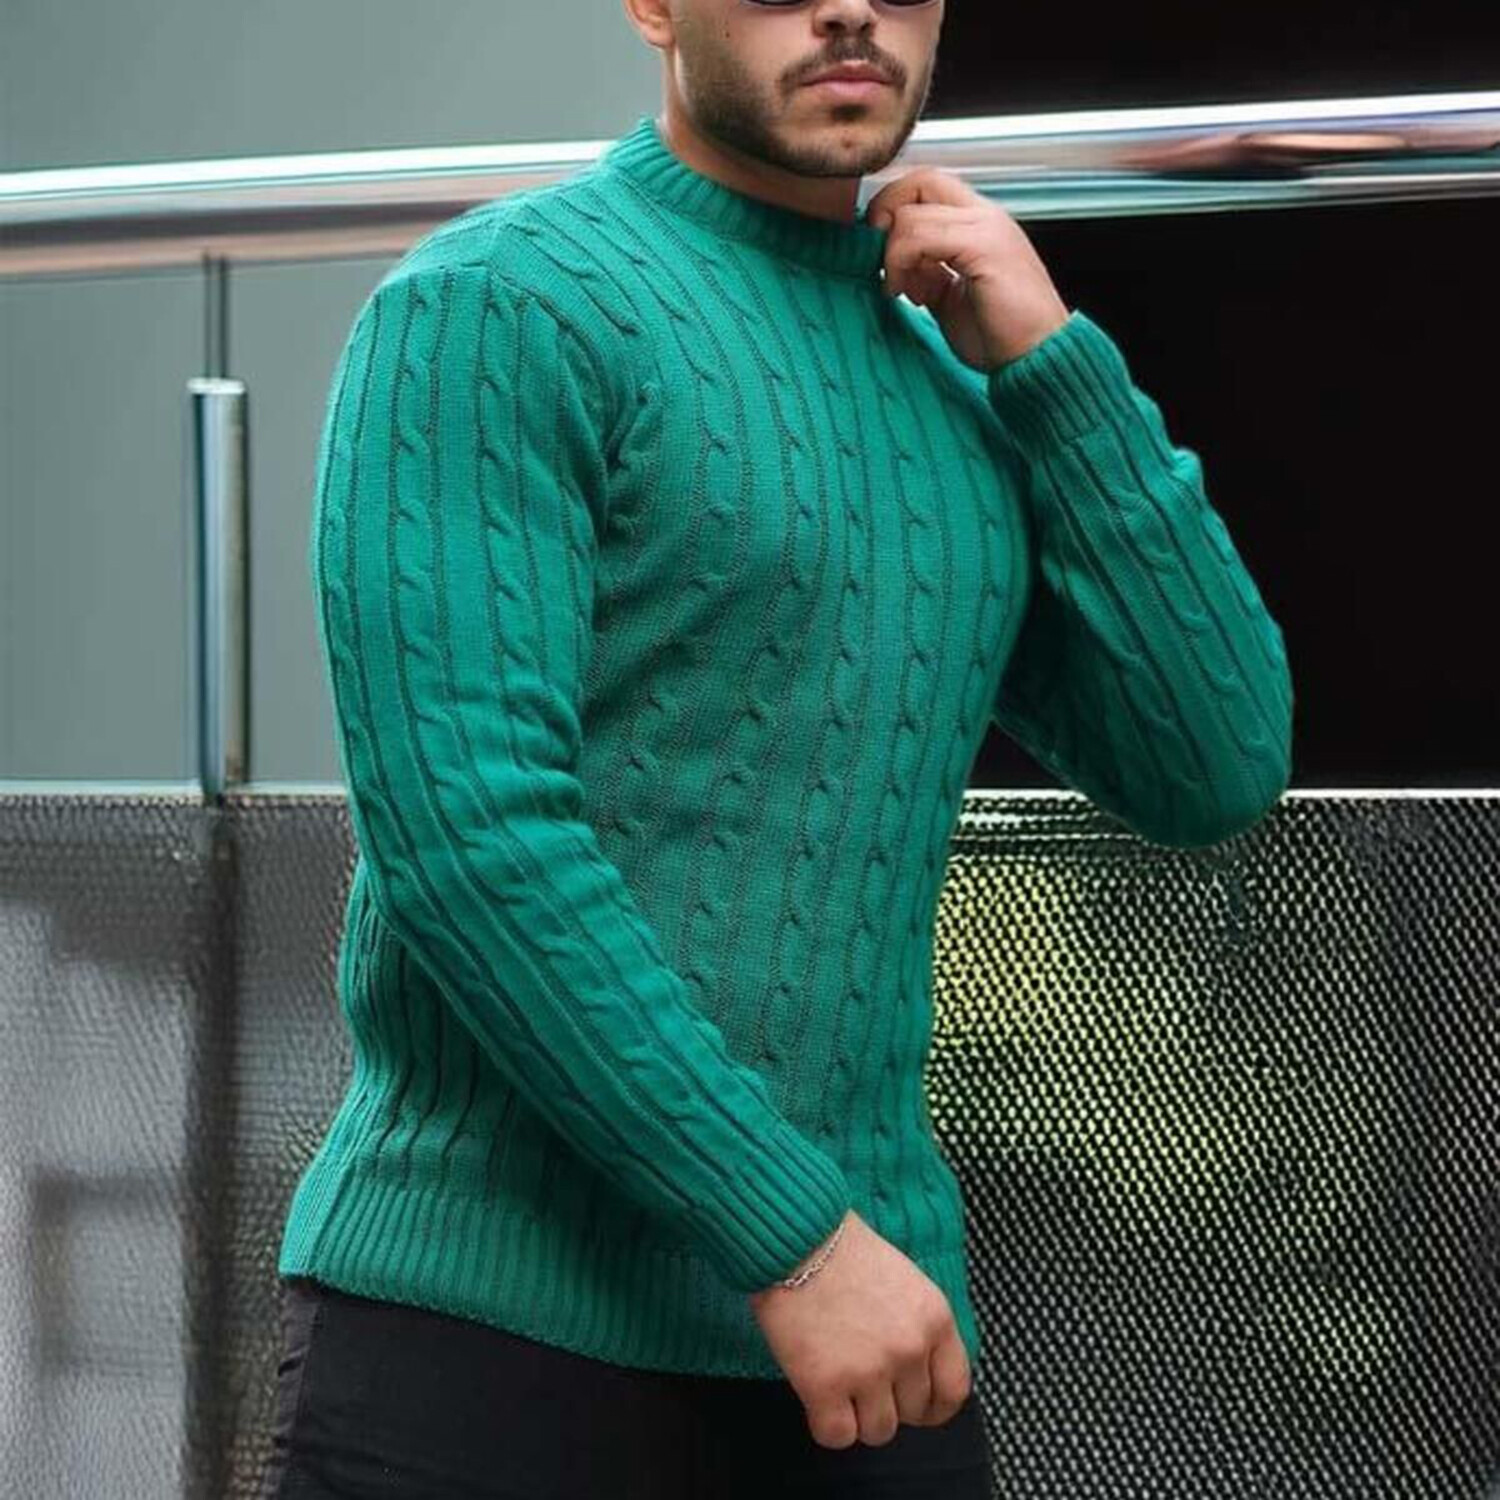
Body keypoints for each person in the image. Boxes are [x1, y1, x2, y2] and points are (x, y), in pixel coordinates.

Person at [260, 0, 1293, 1495]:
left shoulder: (955, 383)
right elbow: (471, 844)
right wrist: (793, 1241)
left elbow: (1215, 762)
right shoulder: (494, 305)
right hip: (492, 1330)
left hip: (872, 1345)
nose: (850, 5)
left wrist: (1059, 368)